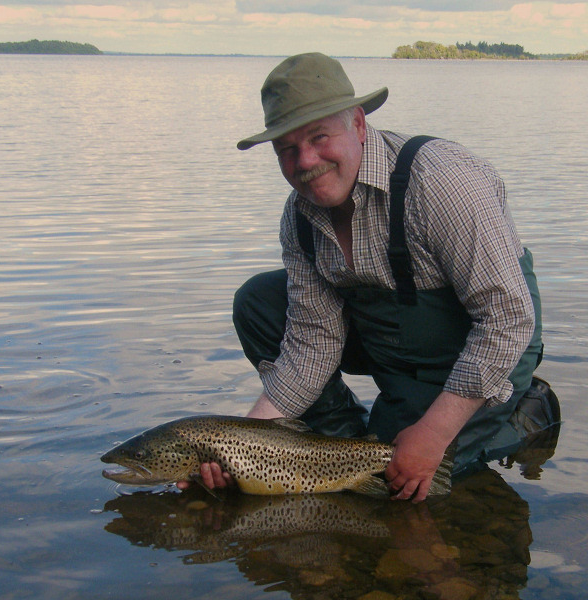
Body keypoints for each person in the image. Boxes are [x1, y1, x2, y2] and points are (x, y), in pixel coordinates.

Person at [189, 52, 556, 502]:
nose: (305, 161)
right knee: (259, 303)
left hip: (491, 344)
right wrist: (239, 448)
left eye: (319, 136)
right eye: (286, 148)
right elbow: (312, 345)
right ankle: (347, 441)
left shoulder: (442, 180)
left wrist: (433, 434)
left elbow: (506, 322)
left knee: (406, 483)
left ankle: (526, 417)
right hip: (394, 352)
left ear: (358, 125)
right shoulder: (299, 217)